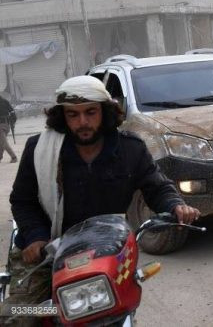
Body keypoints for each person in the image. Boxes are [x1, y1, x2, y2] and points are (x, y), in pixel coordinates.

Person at [3, 76, 200, 321]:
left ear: (105, 112)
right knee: (18, 315)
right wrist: (35, 237)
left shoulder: (130, 149)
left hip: (104, 249)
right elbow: (22, 200)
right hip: (46, 250)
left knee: (118, 308)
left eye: (90, 112)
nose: (82, 122)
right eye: (72, 115)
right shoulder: (39, 149)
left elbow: (157, 187)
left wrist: (176, 206)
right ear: (62, 117)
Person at [0, 94, 17, 163]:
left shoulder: (4, 101)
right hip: (7, 124)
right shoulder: (5, 101)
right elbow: (13, 113)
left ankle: (14, 157)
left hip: (1, 124)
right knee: (1, 142)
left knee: (3, 142)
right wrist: (12, 123)